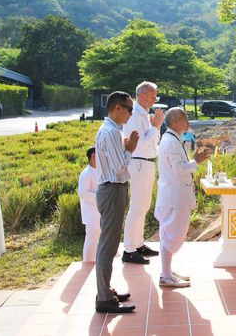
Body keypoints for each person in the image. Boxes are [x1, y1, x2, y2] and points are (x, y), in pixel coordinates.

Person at [94, 91, 140, 314]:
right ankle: (104, 298)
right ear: (117, 108)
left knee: (109, 244)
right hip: (112, 189)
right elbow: (118, 168)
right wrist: (130, 150)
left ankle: (105, 290)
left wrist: (127, 146)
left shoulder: (113, 130)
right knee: (108, 245)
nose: (131, 114)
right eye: (129, 109)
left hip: (114, 189)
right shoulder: (111, 132)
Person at [156, 108, 211, 288]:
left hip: (173, 196)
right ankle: (165, 275)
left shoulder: (171, 139)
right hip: (174, 197)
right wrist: (196, 161)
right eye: (185, 118)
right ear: (175, 122)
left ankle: (167, 271)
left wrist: (194, 161)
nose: (188, 121)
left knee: (170, 234)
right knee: (172, 235)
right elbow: (179, 169)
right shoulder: (171, 142)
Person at [122, 81, 164, 265]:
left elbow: (154, 141)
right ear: (141, 95)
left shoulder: (145, 115)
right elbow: (141, 143)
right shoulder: (134, 115)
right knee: (137, 207)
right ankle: (129, 249)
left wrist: (155, 127)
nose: (155, 98)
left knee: (144, 206)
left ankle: (138, 244)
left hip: (147, 163)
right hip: (139, 163)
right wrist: (156, 126)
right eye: (152, 95)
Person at [78, 146, 99, 262]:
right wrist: (100, 196)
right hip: (91, 213)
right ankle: (88, 262)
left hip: (99, 211)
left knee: (99, 238)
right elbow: (82, 193)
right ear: (93, 156)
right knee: (91, 238)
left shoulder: (99, 171)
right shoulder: (86, 173)